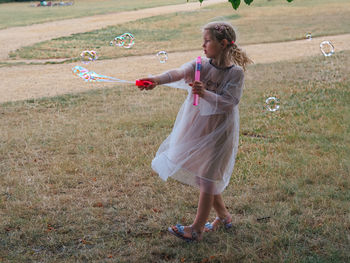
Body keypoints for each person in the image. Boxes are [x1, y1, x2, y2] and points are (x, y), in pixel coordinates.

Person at [137, 21, 253, 242]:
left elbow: (230, 102)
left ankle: (196, 229)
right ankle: (224, 216)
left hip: (219, 131)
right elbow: (177, 73)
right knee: (204, 178)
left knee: (208, 177)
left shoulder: (235, 73)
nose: (203, 45)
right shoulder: (200, 65)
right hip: (198, 128)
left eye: (207, 41)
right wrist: (156, 80)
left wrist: (205, 93)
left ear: (223, 43)